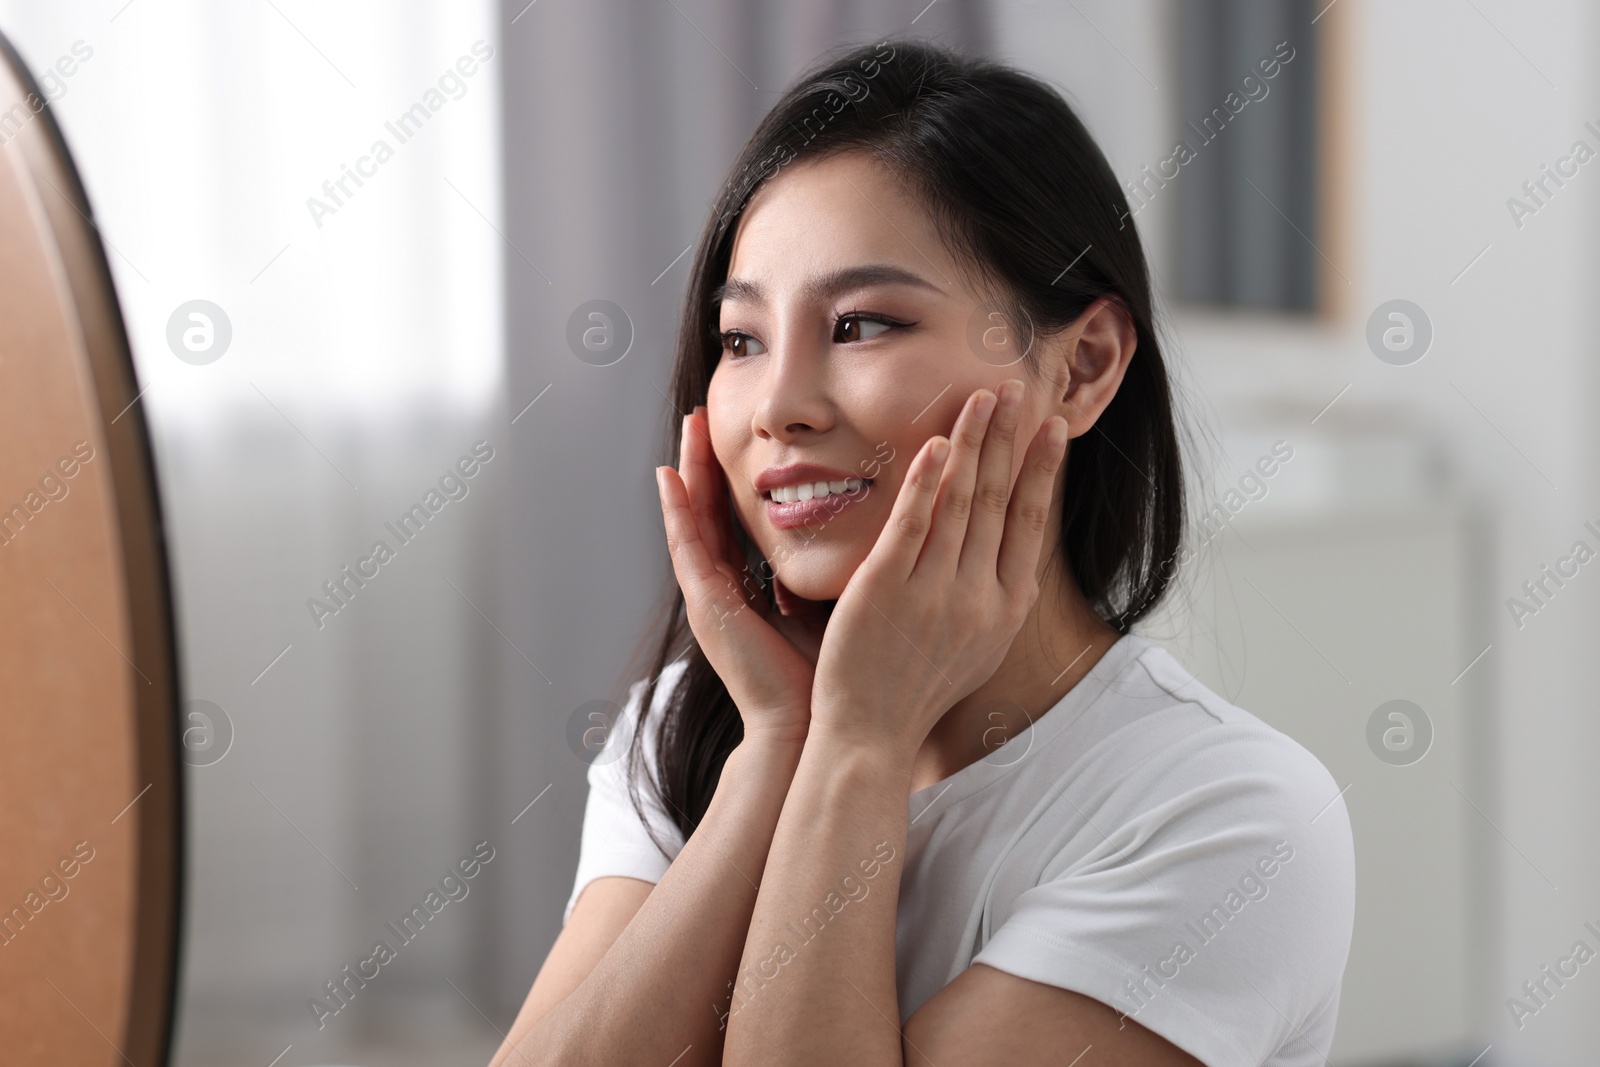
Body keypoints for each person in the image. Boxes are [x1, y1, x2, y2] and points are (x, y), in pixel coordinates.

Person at [491, 36, 1354, 1067]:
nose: (778, 407)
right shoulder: (688, 724)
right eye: (740, 340)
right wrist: (777, 745)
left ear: (1082, 366)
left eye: (861, 323)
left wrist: (857, 741)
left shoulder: (1230, 819)